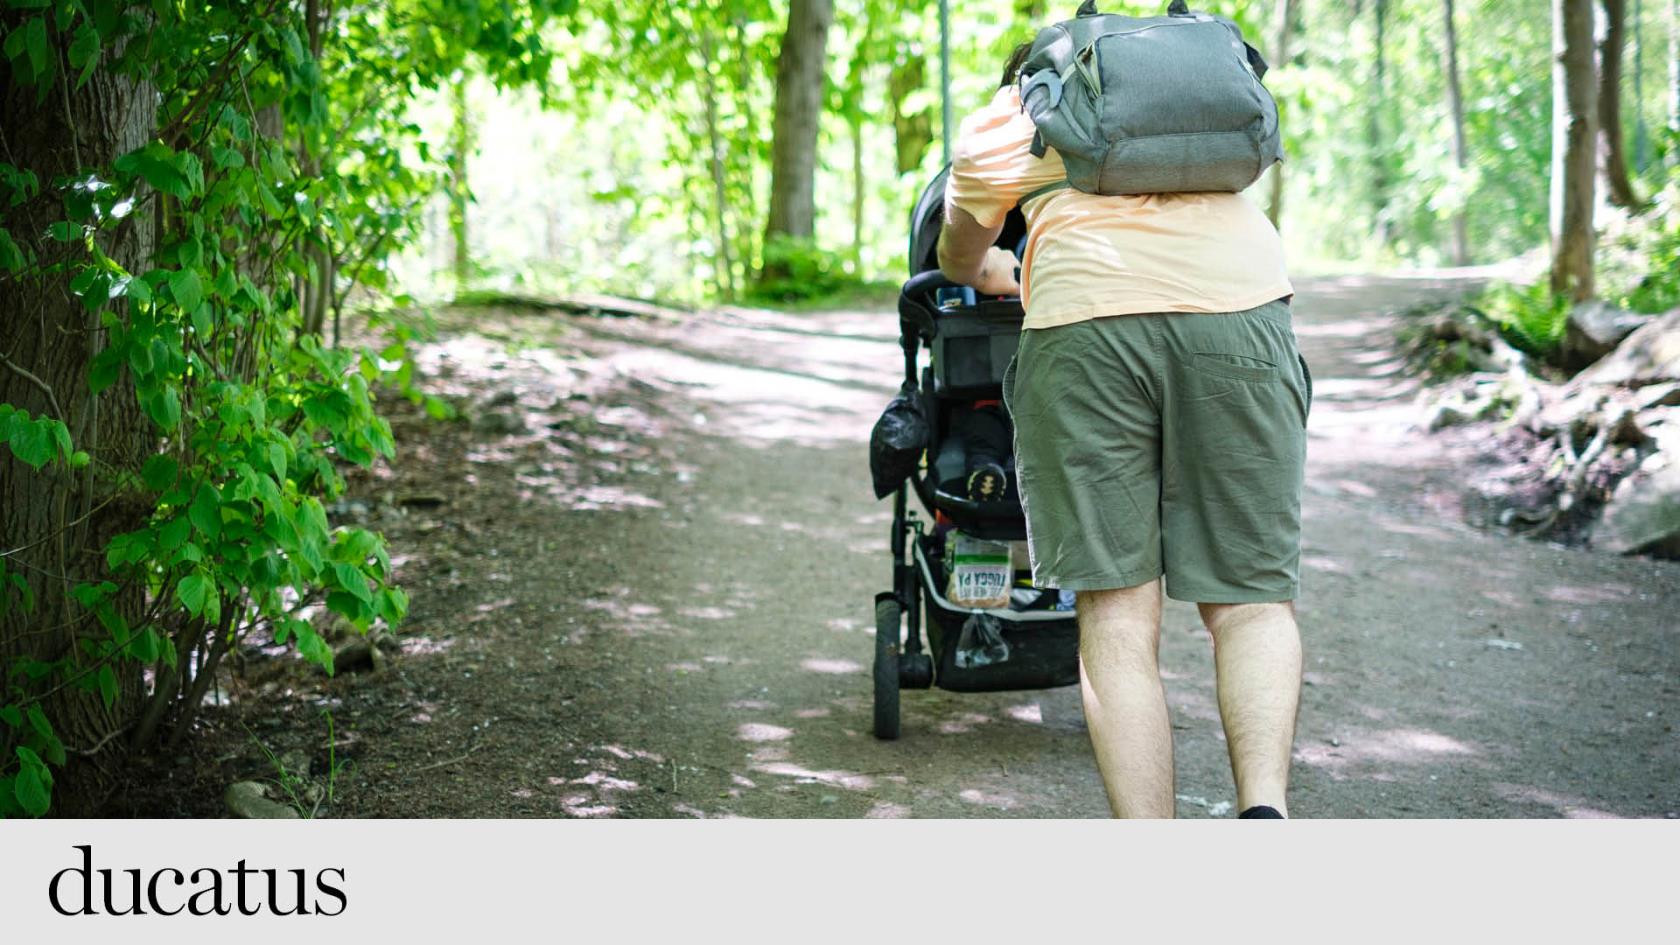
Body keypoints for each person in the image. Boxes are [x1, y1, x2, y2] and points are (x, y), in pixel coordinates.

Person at [937, 44, 1309, 819]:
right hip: (1242, 315)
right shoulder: (1191, 106)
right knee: (1251, 601)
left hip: (1085, 329)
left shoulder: (1015, 115)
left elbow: (957, 254)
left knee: (1115, 613)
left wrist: (992, 270)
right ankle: (1265, 811)